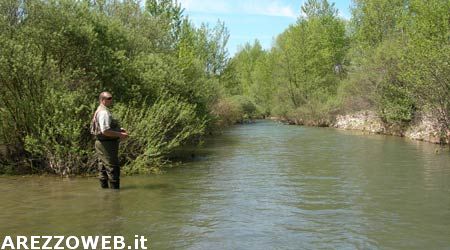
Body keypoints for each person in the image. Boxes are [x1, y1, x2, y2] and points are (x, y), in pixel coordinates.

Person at [90, 92, 128, 189]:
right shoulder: (103, 112)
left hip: (102, 143)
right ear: (102, 100)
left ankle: (105, 194)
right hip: (106, 145)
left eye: (111, 98)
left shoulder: (100, 110)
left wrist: (118, 129)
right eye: (109, 98)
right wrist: (120, 134)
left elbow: (104, 128)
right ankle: (115, 196)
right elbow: (105, 131)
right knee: (113, 169)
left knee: (103, 168)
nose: (111, 100)